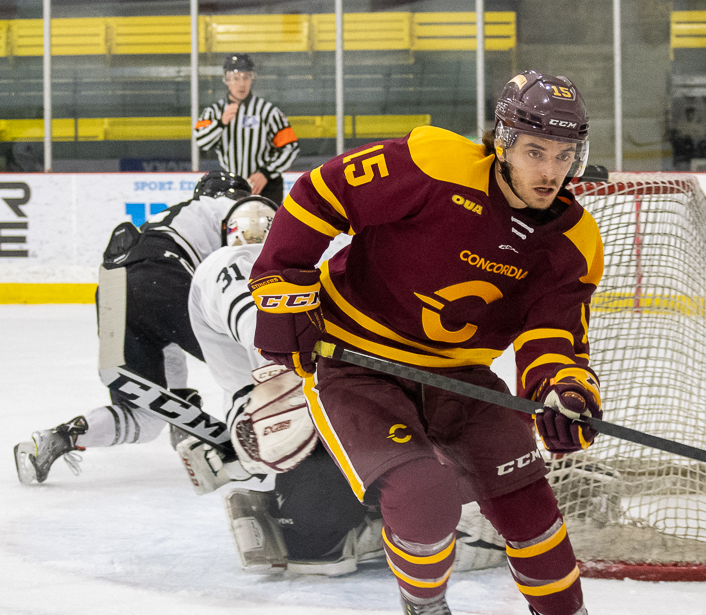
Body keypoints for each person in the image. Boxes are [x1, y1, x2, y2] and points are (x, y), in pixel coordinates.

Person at [248, 70, 602, 615]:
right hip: (355, 364)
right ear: (504, 141)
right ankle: (425, 608)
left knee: (530, 505)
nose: (550, 171)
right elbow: (320, 192)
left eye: (563, 155)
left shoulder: (573, 241)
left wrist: (564, 389)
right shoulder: (433, 164)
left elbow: (552, 332)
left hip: (460, 378)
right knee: (423, 492)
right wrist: (281, 281)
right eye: (536, 151)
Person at [182, 196, 508, 577]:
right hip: (300, 407)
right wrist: (289, 370)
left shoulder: (237, 270)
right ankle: (405, 519)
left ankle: (348, 522)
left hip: (282, 417)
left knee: (315, 535)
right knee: (322, 529)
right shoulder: (229, 263)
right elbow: (254, 306)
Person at [13, 171, 252, 486]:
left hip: (114, 290)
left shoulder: (172, 216)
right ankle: (269, 441)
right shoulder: (229, 210)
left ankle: (54, 440)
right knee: (252, 364)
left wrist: (181, 406)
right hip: (164, 279)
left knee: (146, 413)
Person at [195, 53, 299, 205]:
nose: (241, 84)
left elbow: (290, 147)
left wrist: (266, 173)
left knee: (269, 228)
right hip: (229, 187)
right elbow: (201, 142)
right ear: (226, 80)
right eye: (236, 78)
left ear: (252, 78)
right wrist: (221, 123)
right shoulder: (214, 112)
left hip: (266, 187)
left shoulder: (268, 111)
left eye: (246, 77)